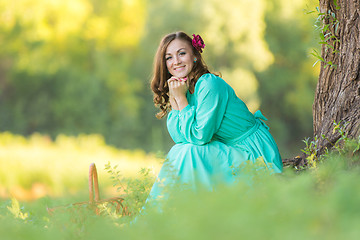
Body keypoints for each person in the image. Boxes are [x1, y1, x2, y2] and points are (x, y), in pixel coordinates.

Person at [148, 31, 283, 202]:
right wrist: (175, 98)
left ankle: (157, 216)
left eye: (182, 53)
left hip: (254, 155)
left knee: (190, 151)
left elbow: (199, 137)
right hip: (229, 151)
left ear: (194, 56)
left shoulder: (209, 84)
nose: (176, 61)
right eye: (169, 57)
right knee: (180, 150)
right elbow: (180, 139)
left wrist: (180, 99)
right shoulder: (183, 88)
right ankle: (161, 216)